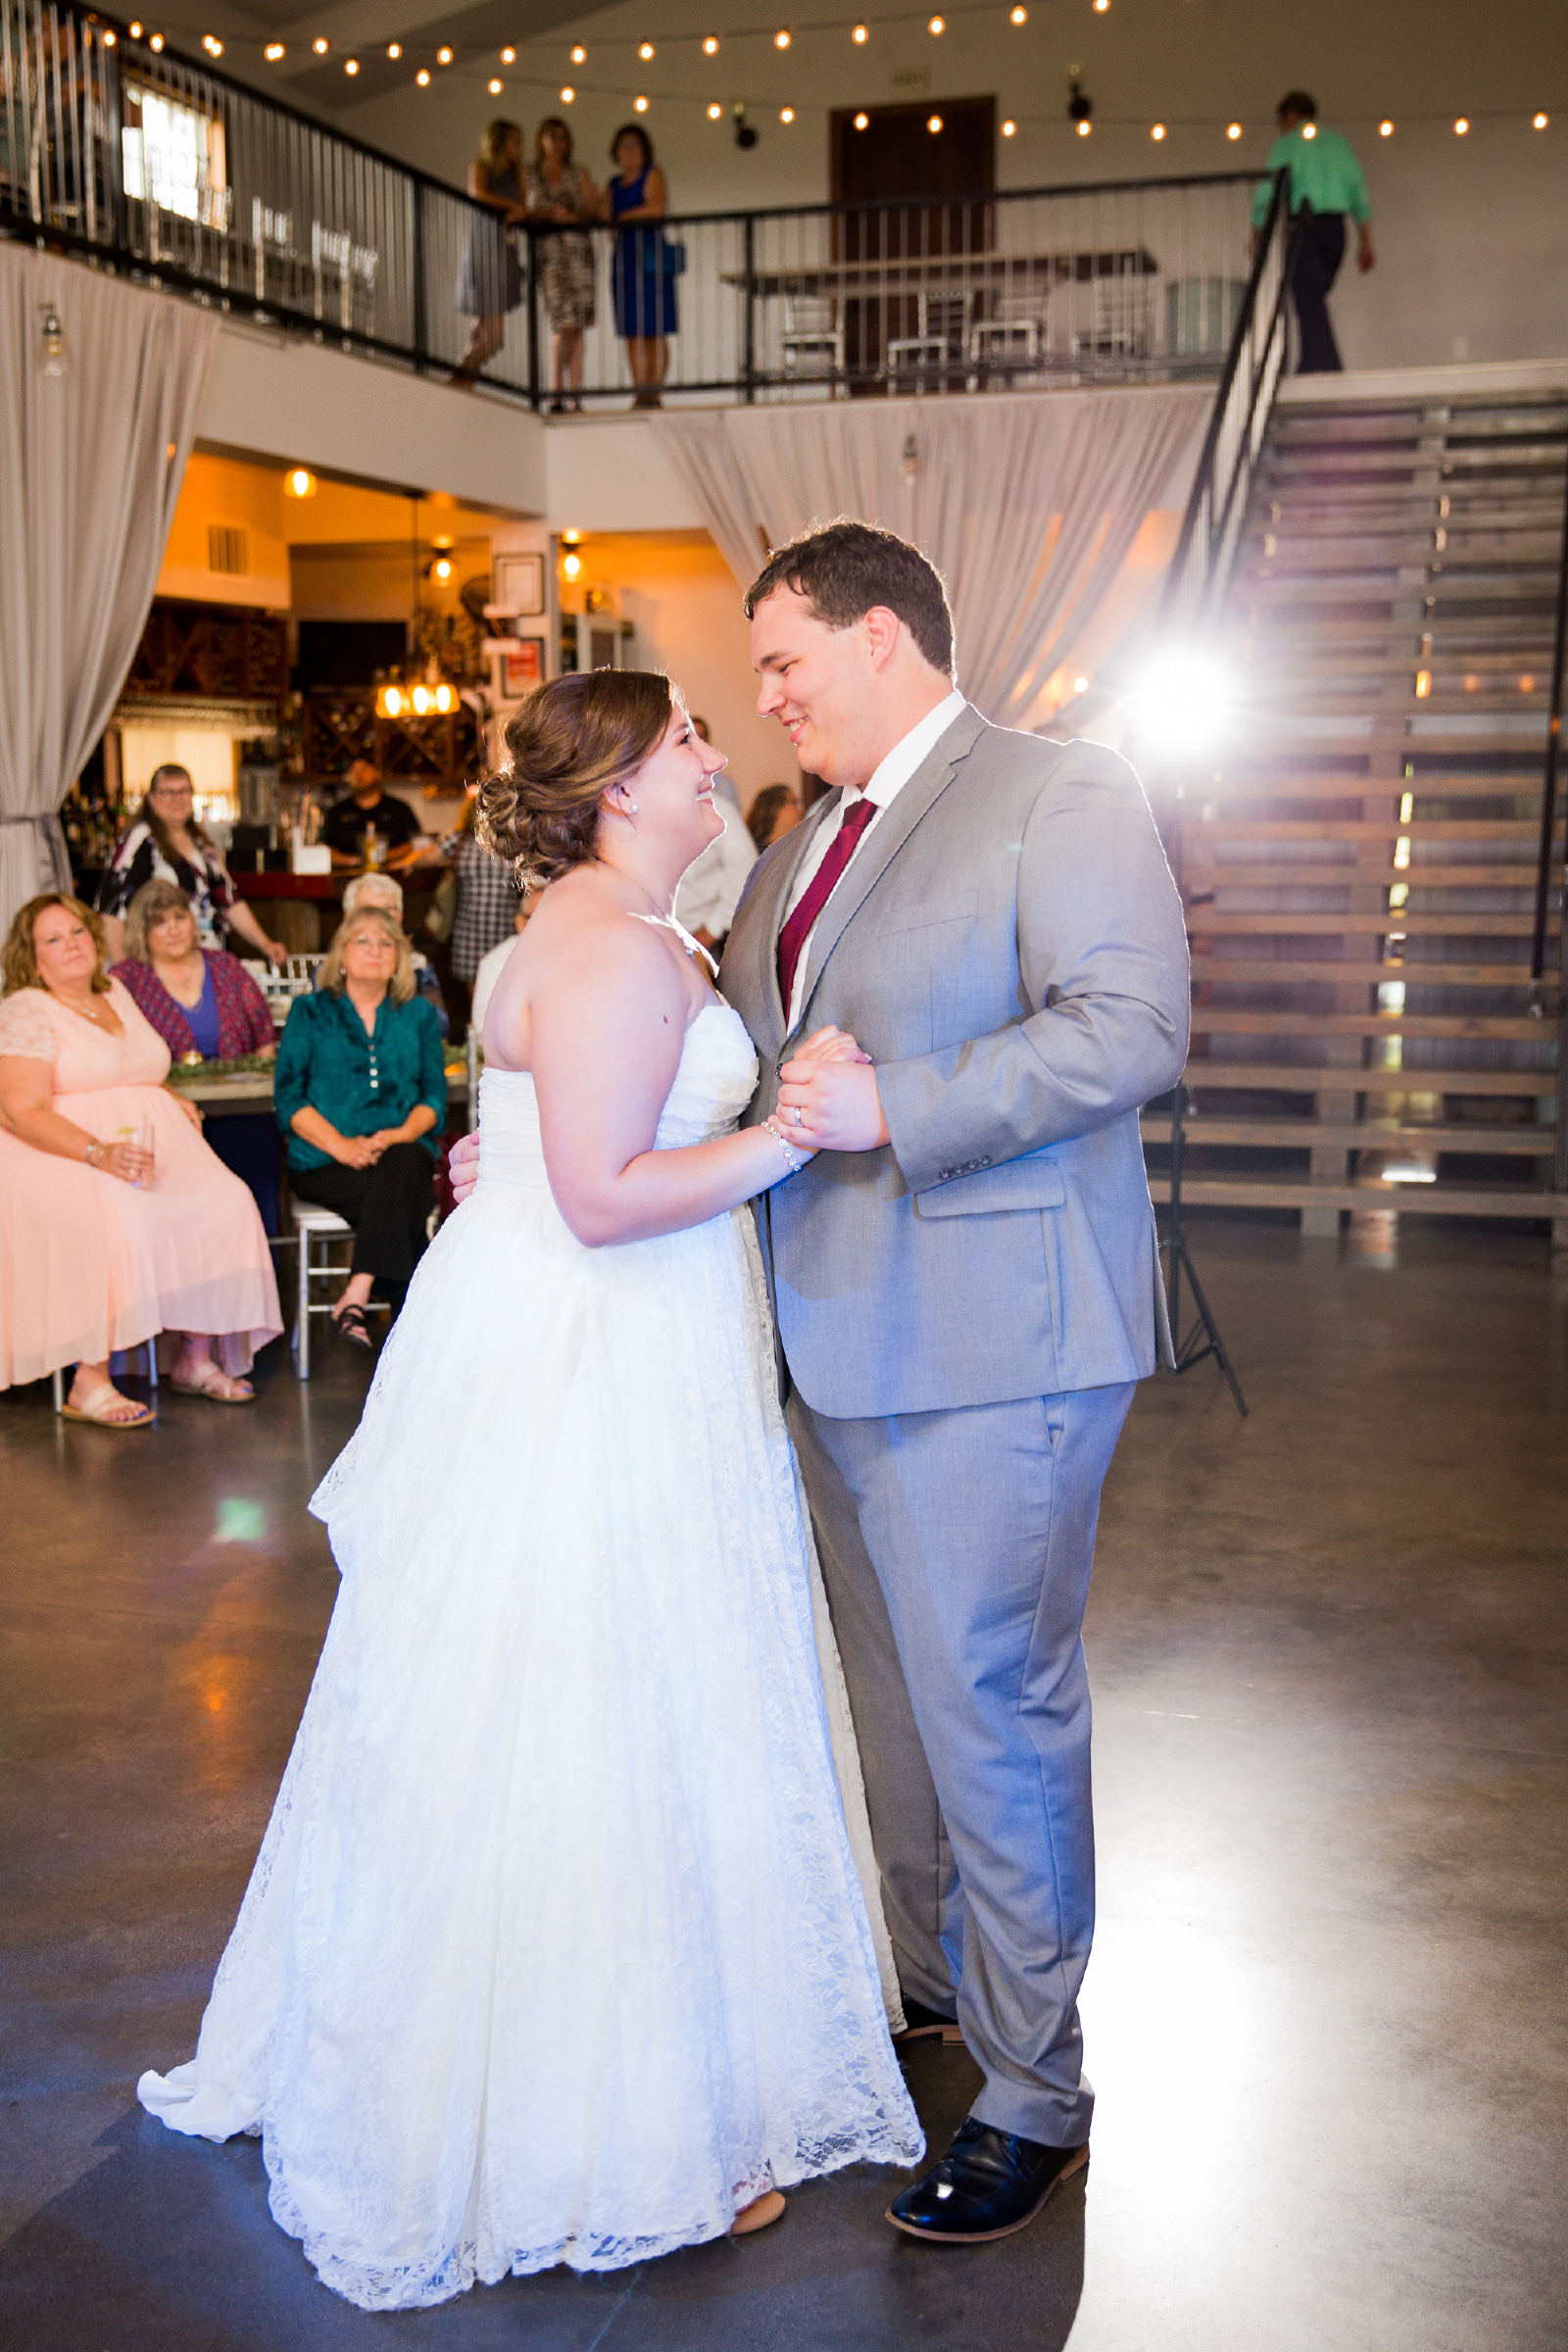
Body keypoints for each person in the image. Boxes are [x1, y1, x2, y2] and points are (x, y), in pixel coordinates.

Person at [137, 669, 922, 2307]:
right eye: (692, 741)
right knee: (609, 1703)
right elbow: (608, 1193)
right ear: (626, 783)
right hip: (611, 1358)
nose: (719, 759)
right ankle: (615, 2127)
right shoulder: (616, 948)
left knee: (543, 1701)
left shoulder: (591, 934)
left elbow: (543, 1148)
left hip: (591, 1340)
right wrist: (794, 1129)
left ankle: (564, 2072)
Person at [708, 520, 1190, 2245]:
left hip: (999, 1341)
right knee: (890, 1706)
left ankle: (1033, 2087)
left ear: (887, 635)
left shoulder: (1062, 792)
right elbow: (758, 1071)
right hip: (823, 1335)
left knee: (992, 1699)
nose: (762, 699)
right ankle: (928, 1991)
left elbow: (1129, 1027)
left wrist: (903, 1103)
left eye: (784, 661)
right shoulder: (799, 844)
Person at [0, 894, 282, 1421]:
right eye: (53, 940)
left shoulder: (116, 993)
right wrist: (97, 1151)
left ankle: (196, 1358)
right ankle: (90, 1379)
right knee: (119, 1218)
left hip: (150, 1150)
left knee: (226, 1201)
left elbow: (133, 1067)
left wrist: (165, 1095)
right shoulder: (25, 1009)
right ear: (31, 957)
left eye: (78, 933)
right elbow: (19, 1110)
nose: (72, 947)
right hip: (64, 1154)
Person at [272, 908, 446, 1349]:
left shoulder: (420, 1016)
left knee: (404, 1162)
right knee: (406, 1190)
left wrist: (396, 1135)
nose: (375, 950)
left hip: (401, 1150)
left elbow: (433, 1098)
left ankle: (358, 1291)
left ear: (399, 959)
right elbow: (289, 1098)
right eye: (362, 941)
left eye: (386, 943)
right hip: (325, 1162)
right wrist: (342, 1146)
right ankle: (411, 1327)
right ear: (341, 955)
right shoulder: (309, 1012)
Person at [110, 878, 282, 1236]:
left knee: (260, 1155)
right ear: (142, 932)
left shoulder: (226, 966)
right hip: (167, 1112)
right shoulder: (125, 980)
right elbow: (117, 1052)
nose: (173, 929)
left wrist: (257, 1080)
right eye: (159, 922)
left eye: (179, 917)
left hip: (240, 1108)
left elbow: (264, 1033)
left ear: (194, 924)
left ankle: (260, 1261)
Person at [96, 762, 287, 970]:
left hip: (202, 965)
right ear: (151, 799)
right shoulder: (140, 839)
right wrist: (122, 971)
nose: (177, 798)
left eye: (183, 791)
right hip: (156, 967)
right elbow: (110, 906)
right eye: (168, 792)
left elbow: (228, 899)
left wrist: (265, 943)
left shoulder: (200, 843)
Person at [1251, 90, 1374, 374]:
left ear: (1290, 116)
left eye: (1280, 122)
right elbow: (1359, 190)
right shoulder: (1338, 143)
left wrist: (1257, 231)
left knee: (1307, 296)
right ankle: (1311, 363)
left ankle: (1326, 366)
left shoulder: (1288, 143)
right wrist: (1366, 241)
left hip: (1304, 228)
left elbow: (1269, 189)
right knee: (1312, 295)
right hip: (1336, 232)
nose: (1280, 129)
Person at [525, 116, 600, 414]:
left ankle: (575, 393)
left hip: (578, 252)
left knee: (577, 324)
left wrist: (574, 216)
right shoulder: (530, 174)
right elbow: (524, 210)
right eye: (552, 137)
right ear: (541, 140)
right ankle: (555, 389)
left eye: (562, 137)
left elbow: (591, 210)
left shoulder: (577, 173)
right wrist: (546, 213)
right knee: (562, 322)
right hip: (550, 254)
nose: (557, 143)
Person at [605, 122, 676, 410]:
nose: (629, 150)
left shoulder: (652, 173)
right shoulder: (613, 184)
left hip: (650, 254)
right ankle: (640, 390)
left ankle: (653, 390)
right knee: (632, 329)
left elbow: (657, 207)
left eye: (634, 144)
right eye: (624, 145)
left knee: (655, 327)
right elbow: (601, 211)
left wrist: (623, 218)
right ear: (616, 152)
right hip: (625, 258)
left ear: (644, 148)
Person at [453, 119, 527, 386]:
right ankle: (460, 377)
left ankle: (464, 380)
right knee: (494, 338)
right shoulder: (482, 166)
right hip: (485, 248)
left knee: (483, 330)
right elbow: (477, 192)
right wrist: (509, 205)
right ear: (499, 143)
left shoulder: (516, 172)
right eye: (515, 142)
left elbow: (522, 206)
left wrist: (516, 206)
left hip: (504, 249)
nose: (520, 148)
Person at [337, 871, 450, 1036]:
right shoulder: (330, 971)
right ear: (348, 919)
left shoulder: (418, 967)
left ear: (400, 917)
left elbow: (438, 1026)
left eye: (387, 911)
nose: (379, 920)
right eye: (368, 911)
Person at [444, 786, 522, 1022]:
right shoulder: (460, 839)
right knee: (476, 999)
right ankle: (478, 1051)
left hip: (506, 929)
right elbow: (429, 855)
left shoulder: (516, 839)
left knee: (504, 992)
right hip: (469, 931)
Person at [674, 762, 758, 954]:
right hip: (654, 936)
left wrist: (711, 930)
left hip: (700, 939)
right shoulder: (646, 809)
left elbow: (745, 867)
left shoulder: (716, 808)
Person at [320, 760, 425, 872]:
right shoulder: (337, 811)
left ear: (378, 773)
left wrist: (380, 859)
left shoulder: (398, 808)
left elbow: (415, 845)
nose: (359, 775)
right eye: (353, 771)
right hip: (347, 879)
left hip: (395, 876)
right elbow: (324, 850)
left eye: (364, 769)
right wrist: (355, 861)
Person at [468, 894, 534, 1038]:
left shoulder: (576, 956)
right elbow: (483, 1029)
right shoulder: (495, 963)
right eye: (543, 918)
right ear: (520, 923)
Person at [746, 784, 805, 854]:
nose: (800, 811)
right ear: (775, 808)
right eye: (794, 802)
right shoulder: (751, 851)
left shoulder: (797, 850)